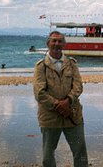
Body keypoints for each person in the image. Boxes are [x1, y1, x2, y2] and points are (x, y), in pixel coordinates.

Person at [33, 31, 88, 167]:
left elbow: (78, 86)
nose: (57, 44)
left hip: (72, 115)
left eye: (59, 41)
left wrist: (68, 101)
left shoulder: (72, 64)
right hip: (50, 118)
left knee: (80, 153)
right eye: (54, 41)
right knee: (47, 156)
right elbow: (39, 93)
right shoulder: (41, 67)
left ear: (64, 44)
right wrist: (59, 105)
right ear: (48, 43)